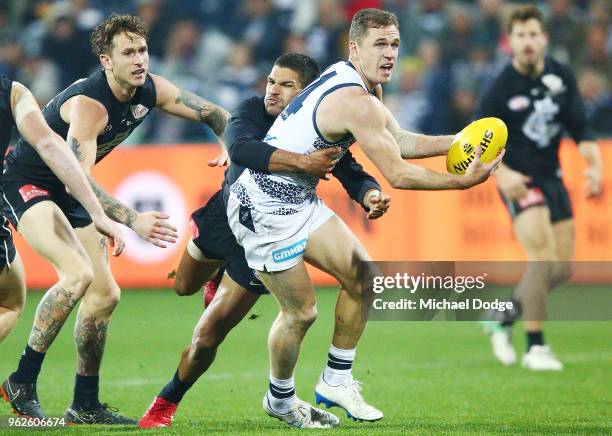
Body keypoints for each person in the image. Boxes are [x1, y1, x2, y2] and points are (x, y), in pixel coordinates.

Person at [225, 8, 503, 429]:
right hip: (261, 209)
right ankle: (279, 398)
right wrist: (460, 183)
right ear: (354, 47)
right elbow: (398, 173)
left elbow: (401, 140)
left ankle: (336, 380)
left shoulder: (351, 82)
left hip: (298, 199)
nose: (390, 53)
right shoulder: (356, 102)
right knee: (301, 314)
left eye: (394, 44)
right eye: (380, 44)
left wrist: (460, 142)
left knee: (364, 278)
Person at [138, 52, 391, 429]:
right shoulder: (252, 109)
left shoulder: (318, 125)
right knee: (183, 287)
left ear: (307, 93)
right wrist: (301, 163)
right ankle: (213, 276)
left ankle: (165, 401)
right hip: (222, 217)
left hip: (260, 237)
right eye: (271, 80)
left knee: (208, 333)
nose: (273, 90)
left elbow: (347, 167)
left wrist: (369, 191)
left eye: (286, 85)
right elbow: (240, 148)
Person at [0, 14, 230, 424]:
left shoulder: (151, 88)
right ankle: (22, 379)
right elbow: (78, 178)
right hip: (28, 182)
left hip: (72, 191)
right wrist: (131, 219)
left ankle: (84, 404)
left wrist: (231, 146)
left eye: (142, 50)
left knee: (106, 296)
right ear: (106, 61)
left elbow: (215, 114)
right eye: (128, 53)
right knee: (75, 276)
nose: (140, 59)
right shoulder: (89, 107)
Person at [477, 4, 602, 371]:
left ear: (544, 38)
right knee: (542, 259)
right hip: (519, 180)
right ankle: (535, 347)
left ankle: (502, 318)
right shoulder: (500, 87)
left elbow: (580, 128)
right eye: (520, 35)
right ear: (509, 42)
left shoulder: (561, 76)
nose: (528, 42)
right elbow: (476, 143)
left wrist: (593, 166)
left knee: (561, 269)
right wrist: (503, 175)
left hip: (553, 176)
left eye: (534, 34)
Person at [0, 77, 125, 343]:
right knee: (9, 304)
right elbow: (47, 144)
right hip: (22, 184)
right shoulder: (12, 92)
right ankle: (23, 378)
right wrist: (98, 212)